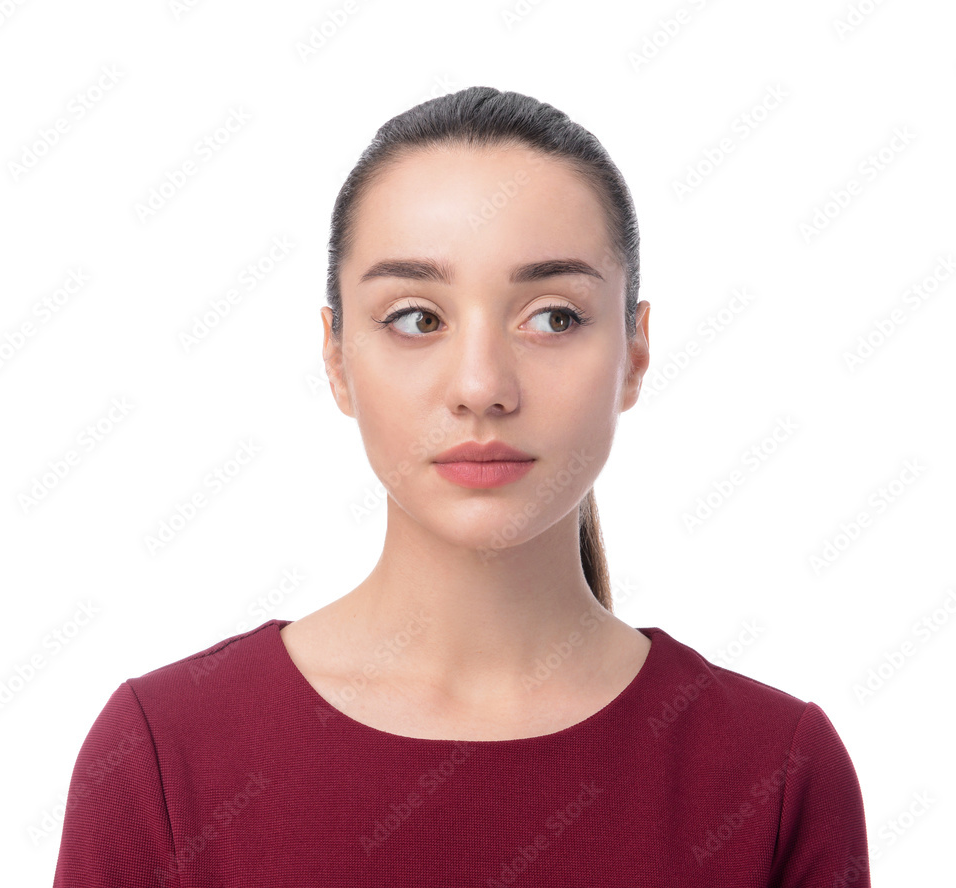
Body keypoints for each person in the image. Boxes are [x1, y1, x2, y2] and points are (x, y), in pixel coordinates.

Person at [52, 86, 871, 886]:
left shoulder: (777, 773)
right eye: (416, 317)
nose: (481, 386)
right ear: (336, 357)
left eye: (554, 316)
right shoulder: (166, 755)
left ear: (636, 353)